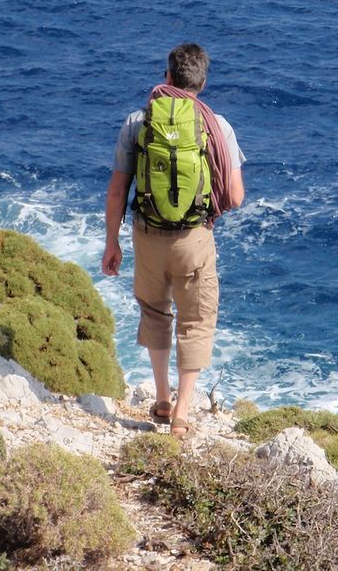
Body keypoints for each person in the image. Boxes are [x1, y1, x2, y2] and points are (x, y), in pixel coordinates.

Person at [101, 43, 245, 438]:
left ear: (167, 75)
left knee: (154, 311)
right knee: (195, 322)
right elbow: (234, 197)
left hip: (147, 236)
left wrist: (112, 243)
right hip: (194, 239)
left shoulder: (138, 121)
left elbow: (117, 191)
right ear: (202, 81)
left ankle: (162, 399)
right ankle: (182, 412)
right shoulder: (217, 125)